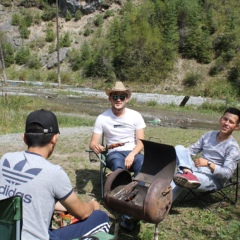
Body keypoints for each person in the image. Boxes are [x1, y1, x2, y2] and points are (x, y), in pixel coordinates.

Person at [0, 109, 110, 240]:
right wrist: (93, 205)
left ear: (24, 138)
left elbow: (23, 197)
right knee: (101, 218)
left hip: (6, 234)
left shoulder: (5, 159)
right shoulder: (53, 173)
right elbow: (83, 213)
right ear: (54, 138)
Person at [89, 81, 146, 230]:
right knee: (118, 167)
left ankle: (132, 206)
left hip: (133, 152)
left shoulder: (135, 116)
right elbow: (93, 142)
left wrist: (133, 154)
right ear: (110, 98)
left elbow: (141, 142)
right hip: (114, 153)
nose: (118, 99)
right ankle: (122, 201)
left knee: (143, 164)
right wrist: (98, 146)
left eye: (122, 96)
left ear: (127, 98)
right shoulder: (102, 118)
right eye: (115, 96)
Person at [171, 107, 240, 202]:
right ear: (221, 119)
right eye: (225, 119)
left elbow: (227, 174)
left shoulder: (233, 148)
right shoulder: (209, 135)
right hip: (196, 170)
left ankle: (161, 204)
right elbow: (190, 151)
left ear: (236, 127)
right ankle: (188, 172)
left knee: (181, 175)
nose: (226, 123)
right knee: (179, 148)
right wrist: (178, 157)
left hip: (213, 178)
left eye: (231, 122)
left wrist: (208, 164)